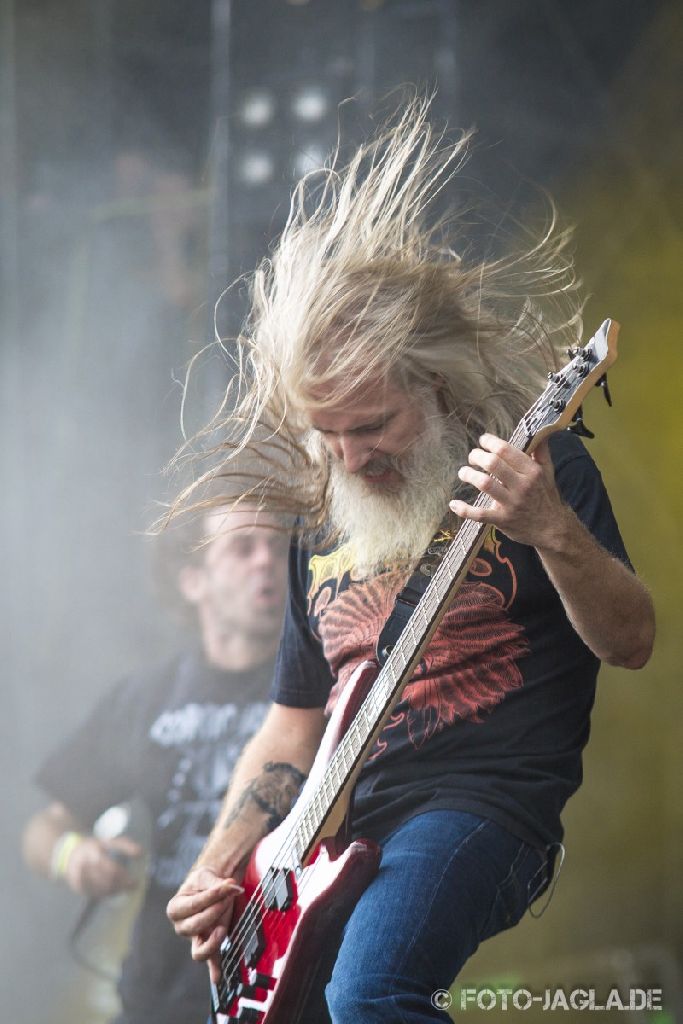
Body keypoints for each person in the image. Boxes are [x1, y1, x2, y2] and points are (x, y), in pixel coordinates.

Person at [164, 100, 655, 1023]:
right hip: (325, 838)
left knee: (372, 993)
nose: (351, 456)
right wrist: (220, 860)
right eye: (327, 434)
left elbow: (631, 641)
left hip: (479, 804)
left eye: (373, 424)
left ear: (432, 385)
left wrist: (546, 524)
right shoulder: (320, 520)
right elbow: (289, 726)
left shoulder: (534, 467)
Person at [22, 504, 289, 1024]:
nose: (267, 562)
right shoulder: (146, 699)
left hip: (284, 981)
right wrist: (75, 856)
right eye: (243, 548)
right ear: (193, 580)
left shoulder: (317, 689)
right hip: (160, 993)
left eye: (278, 549)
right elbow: (44, 826)